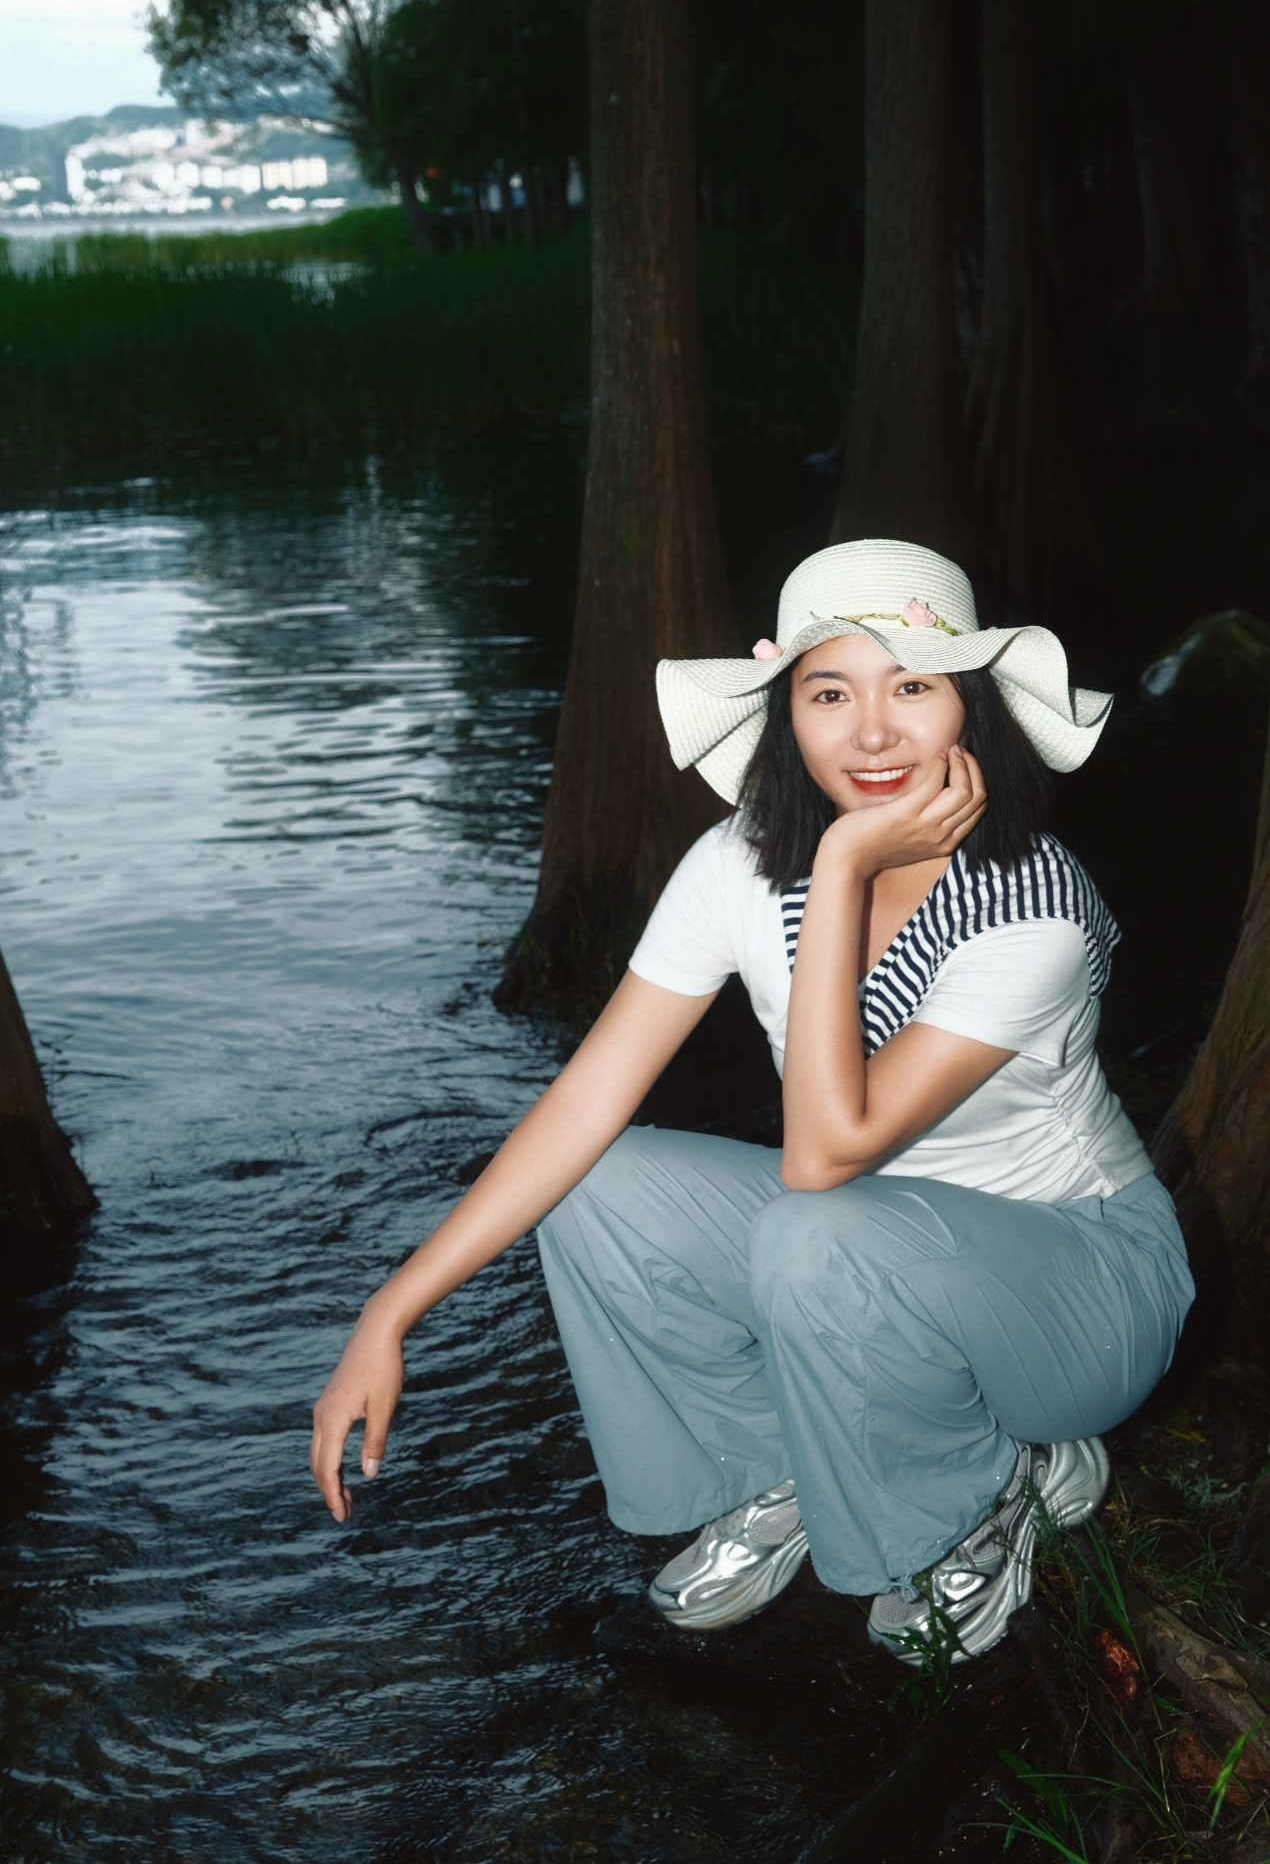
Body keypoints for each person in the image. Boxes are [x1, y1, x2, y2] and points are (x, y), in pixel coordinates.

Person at [311, 539, 1194, 1664]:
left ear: (970, 706)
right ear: (788, 715)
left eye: (911, 687)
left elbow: (826, 1153)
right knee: (597, 1184)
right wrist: (390, 1313)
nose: (871, 734)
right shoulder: (737, 862)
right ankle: (775, 1470)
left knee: (813, 1226)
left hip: (1082, 1290)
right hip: (870, 1256)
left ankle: (987, 1492)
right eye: (829, 693)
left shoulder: (1033, 907)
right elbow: (584, 1101)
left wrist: (845, 867)